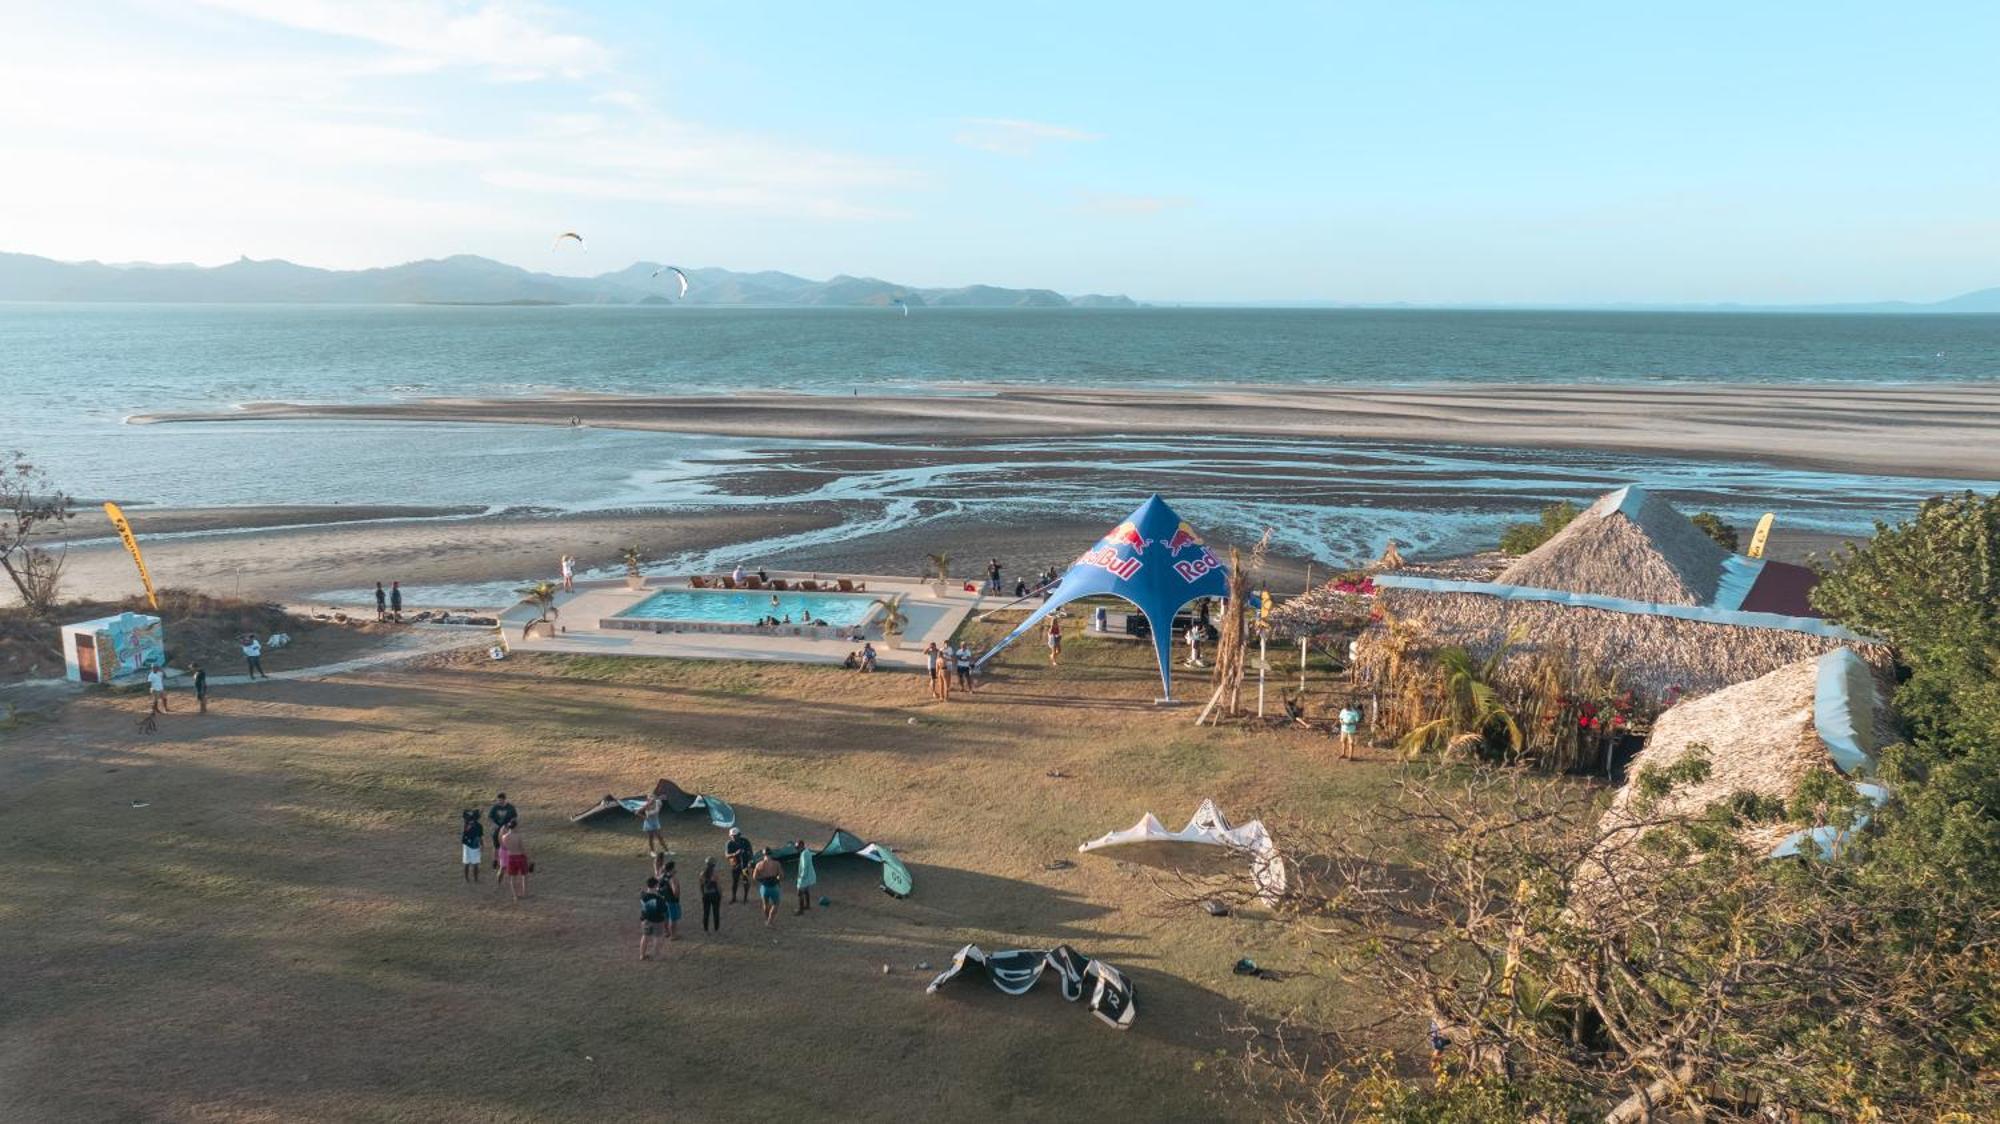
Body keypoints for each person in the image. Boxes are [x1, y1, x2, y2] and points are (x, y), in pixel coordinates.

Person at [497, 821, 530, 900]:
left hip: (511, 857)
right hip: (520, 857)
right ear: (515, 827)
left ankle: (515, 895)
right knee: (524, 876)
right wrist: (528, 857)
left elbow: (503, 845)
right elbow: (522, 848)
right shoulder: (518, 836)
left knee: (512, 878)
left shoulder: (504, 837)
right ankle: (524, 894)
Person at [752, 848, 783, 927]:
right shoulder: (776, 864)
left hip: (764, 887)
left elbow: (754, 877)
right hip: (774, 886)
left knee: (765, 904)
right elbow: (781, 876)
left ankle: (767, 919)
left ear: (763, 855)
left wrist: (762, 880)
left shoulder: (759, 864)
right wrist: (777, 880)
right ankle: (770, 920)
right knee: (776, 903)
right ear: (771, 854)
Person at [639, 876, 666, 960]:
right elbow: (664, 910)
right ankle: (656, 955)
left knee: (645, 936)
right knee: (657, 937)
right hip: (657, 920)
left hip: (646, 919)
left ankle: (642, 955)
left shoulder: (642, 895)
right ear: (655, 885)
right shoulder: (658, 898)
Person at [726, 827, 754, 903]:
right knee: (735, 882)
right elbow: (727, 855)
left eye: (735, 836)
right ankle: (734, 897)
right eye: (732, 836)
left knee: (745, 881)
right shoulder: (729, 843)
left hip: (745, 866)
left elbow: (751, 852)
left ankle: (745, 898)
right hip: (735, 866)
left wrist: (750, 861)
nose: (733, 837)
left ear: (739, 835)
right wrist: (735, 854)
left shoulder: (745, 841)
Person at [659, 860, 682, 940]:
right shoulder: (673, 879)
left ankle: (666, 932)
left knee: (666, 917)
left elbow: (659, 887)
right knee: (673, 919)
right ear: (672, 868)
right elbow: (675, 891)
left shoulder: (662, 876)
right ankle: (673, 935)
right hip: (672, 901)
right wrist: (677, 897)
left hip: (664, 900)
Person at [699, 858, 723, 933]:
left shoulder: (702, 874)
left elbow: (701, 885)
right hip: (715, 894)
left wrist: (703, 894)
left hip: (706, 894)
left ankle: (706, 928)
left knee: (706, 912)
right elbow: (718, 886)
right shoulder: (715, 874)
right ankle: (716, 928)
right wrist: (721, 894)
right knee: (716, 912)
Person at [460, 810, 483, 883]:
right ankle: (476, 879)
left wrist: (474, 813)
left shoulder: (466, 822)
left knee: (466, 863)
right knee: (475, 863)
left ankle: (466, 879)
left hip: (466, 844)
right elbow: (480, 837)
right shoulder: (479, 826)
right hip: (474, 845)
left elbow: (465, 812)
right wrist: (482, 845)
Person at [795, 840, 817, 915]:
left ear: (801, 846)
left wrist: (801, 877)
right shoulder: (807, 851)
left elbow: (804, 867)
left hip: (805, 876)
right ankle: (807, 905)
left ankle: (801, 910)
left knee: (799, 892)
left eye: (797, 847)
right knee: (806, 890)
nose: (797, 849)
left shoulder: (804, 854)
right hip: (809, 876)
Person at [638, 790, 664, 854]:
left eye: (653, 796)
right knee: (651, 838)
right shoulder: (646, 806)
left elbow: (660, 805)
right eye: (650, 797)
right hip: (649, 823)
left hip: (656, 822)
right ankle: (652, 851)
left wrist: (659, 799)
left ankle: (667, 851)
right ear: (648, 798)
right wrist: (644, 818)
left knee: (660, 837)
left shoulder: (658, 802)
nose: (652, 798)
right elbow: (637, 812)